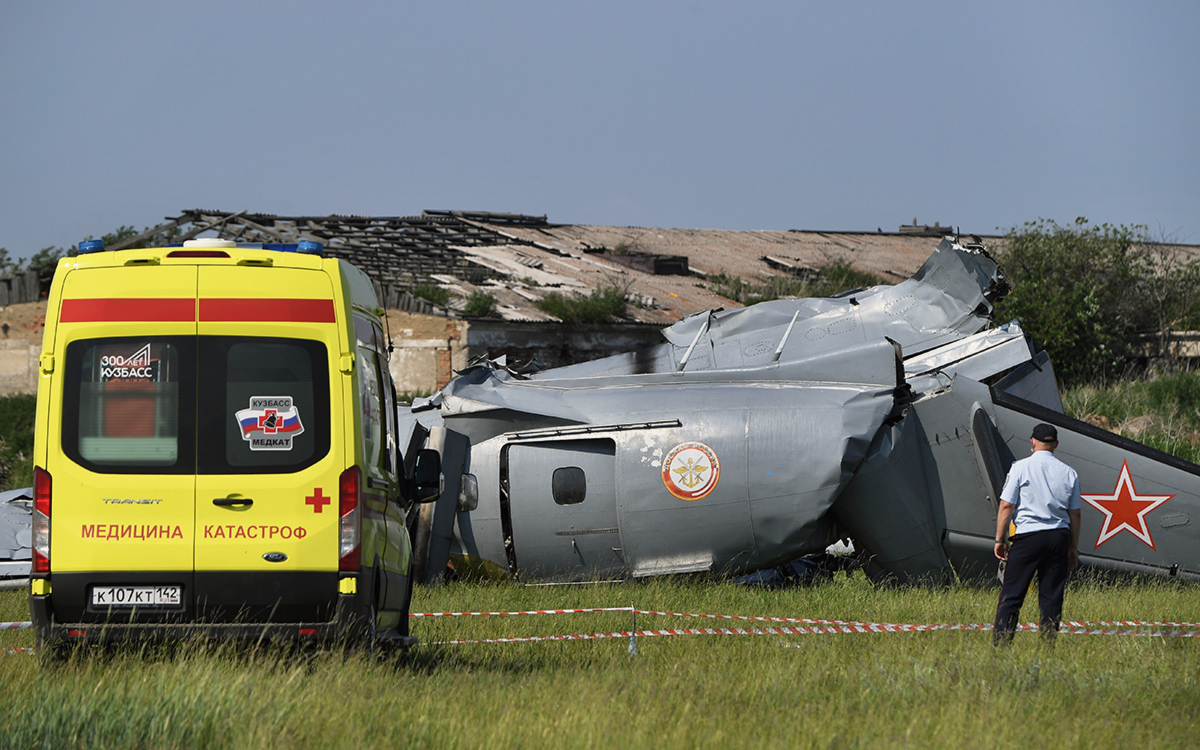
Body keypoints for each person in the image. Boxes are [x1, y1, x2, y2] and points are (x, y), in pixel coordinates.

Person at [992, 423, 1082, 644]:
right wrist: (1072, 547)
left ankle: (1001, 644)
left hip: (1028, 537)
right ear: (1056, 445)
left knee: (1012, 594)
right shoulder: (1069, 472)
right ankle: (1048, 645)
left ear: (1032, 442)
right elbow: (1076, 515)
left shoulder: (1020, 468)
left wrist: (999, 539)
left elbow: (1006, 506)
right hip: (1058, 537)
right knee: (1051, 597)